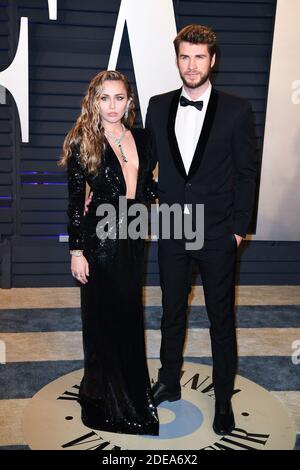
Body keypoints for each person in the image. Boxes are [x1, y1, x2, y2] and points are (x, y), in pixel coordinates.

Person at [145, 24, 257, 435]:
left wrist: (238, 230)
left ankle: (223, 398)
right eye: (184, 57)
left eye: (199, 57)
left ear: (212, 60)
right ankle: (168, 381)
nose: (191, 66)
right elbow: (143, 164)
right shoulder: (157, 106)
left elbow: (247, 173)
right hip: (174, 228)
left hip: (217, 232)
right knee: (171, 312)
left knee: (220, 318)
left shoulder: (236, 109)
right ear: (176, 60)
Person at [58, 70, 159, 436]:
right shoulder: (82, 141)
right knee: (102, 318)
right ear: (94, 101)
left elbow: (145, 187)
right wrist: (76, 250)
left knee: (129, 314)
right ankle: (103, 394)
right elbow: (73, 203)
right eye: (105, 98)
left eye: (119, 97)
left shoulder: (145, 140)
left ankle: (130, 387)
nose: (112, 105)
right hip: (100, 238)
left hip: (133, 235)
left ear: (129, 101)